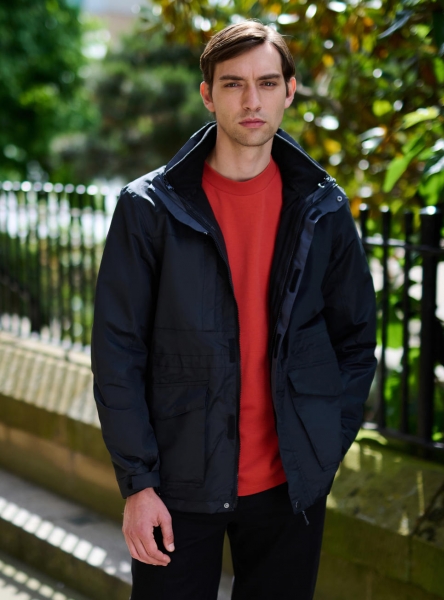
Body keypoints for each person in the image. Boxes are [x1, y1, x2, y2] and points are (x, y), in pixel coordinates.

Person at [91, 20, 377, 600]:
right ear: (208, 95)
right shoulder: (149, 208)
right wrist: (139, 484)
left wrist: (323, 446)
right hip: (177, 486)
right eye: (233, 84)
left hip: (290, 487)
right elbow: (118, 353)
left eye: (267, 83)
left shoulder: (322, 207)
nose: (252, 101)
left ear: (289, 92)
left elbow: (355, 340)